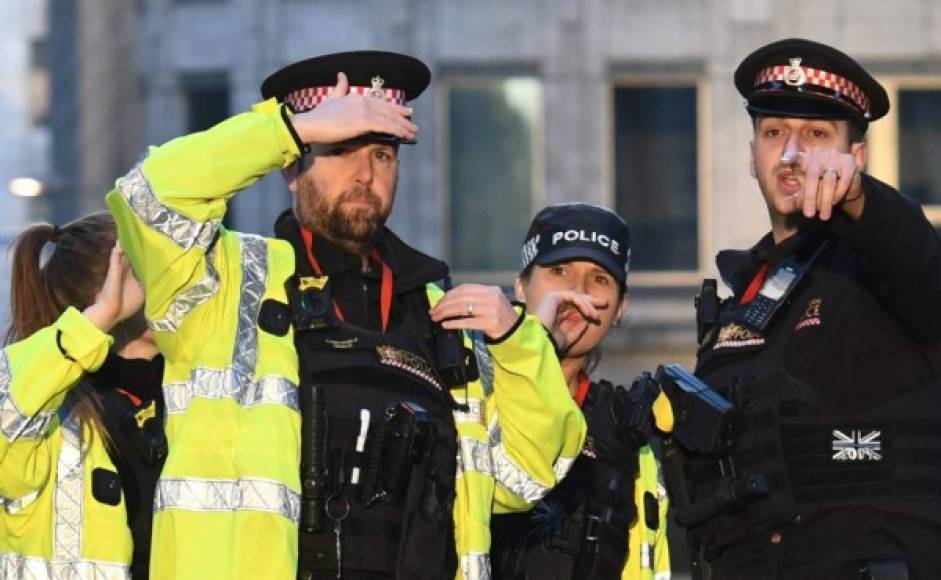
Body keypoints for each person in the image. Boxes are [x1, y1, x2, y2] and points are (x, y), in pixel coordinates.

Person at [105, 50, 586, 579]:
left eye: (382, 154)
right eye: (340, 149)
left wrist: (519, 342)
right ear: (292, 166)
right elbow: (148, 196)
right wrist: (290, 128)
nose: (364, 174)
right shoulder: (223, 280)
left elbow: (525, 476)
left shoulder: (440, 316)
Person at [671, 38, 941, 579]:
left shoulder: (879, 264)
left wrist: (860, 198)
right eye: (774, 133)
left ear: (856, 158)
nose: (792, 154)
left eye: (817, 135)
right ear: (753, 156)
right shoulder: (736, 308)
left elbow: (920, 260)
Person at [490, 203, 671, 580]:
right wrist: (531, 347)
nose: (578, 292)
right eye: (559, 271)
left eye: (600, 279)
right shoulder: (471, 389)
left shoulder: (628, 430)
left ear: (620, 307)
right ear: (520, 287)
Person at [0, 213, 165, 579]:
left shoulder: (190, 394)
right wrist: (100, 319)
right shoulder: (51, 420)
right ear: (105, 292)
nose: (176, 283)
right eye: (155, 269)